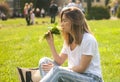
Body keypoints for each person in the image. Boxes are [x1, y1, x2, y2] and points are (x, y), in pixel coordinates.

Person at [39, 7, 103, 82]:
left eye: (64, 21)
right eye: (61, 21)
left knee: (58, 70)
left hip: (92, 78)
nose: (61, 24)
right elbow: (59, 61)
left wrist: (60, 69)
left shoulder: (88, 40)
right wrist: (51, 44)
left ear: (74, 22)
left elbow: (82, 68)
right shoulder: (68, 40)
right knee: (44, 61)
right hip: (75, 75)